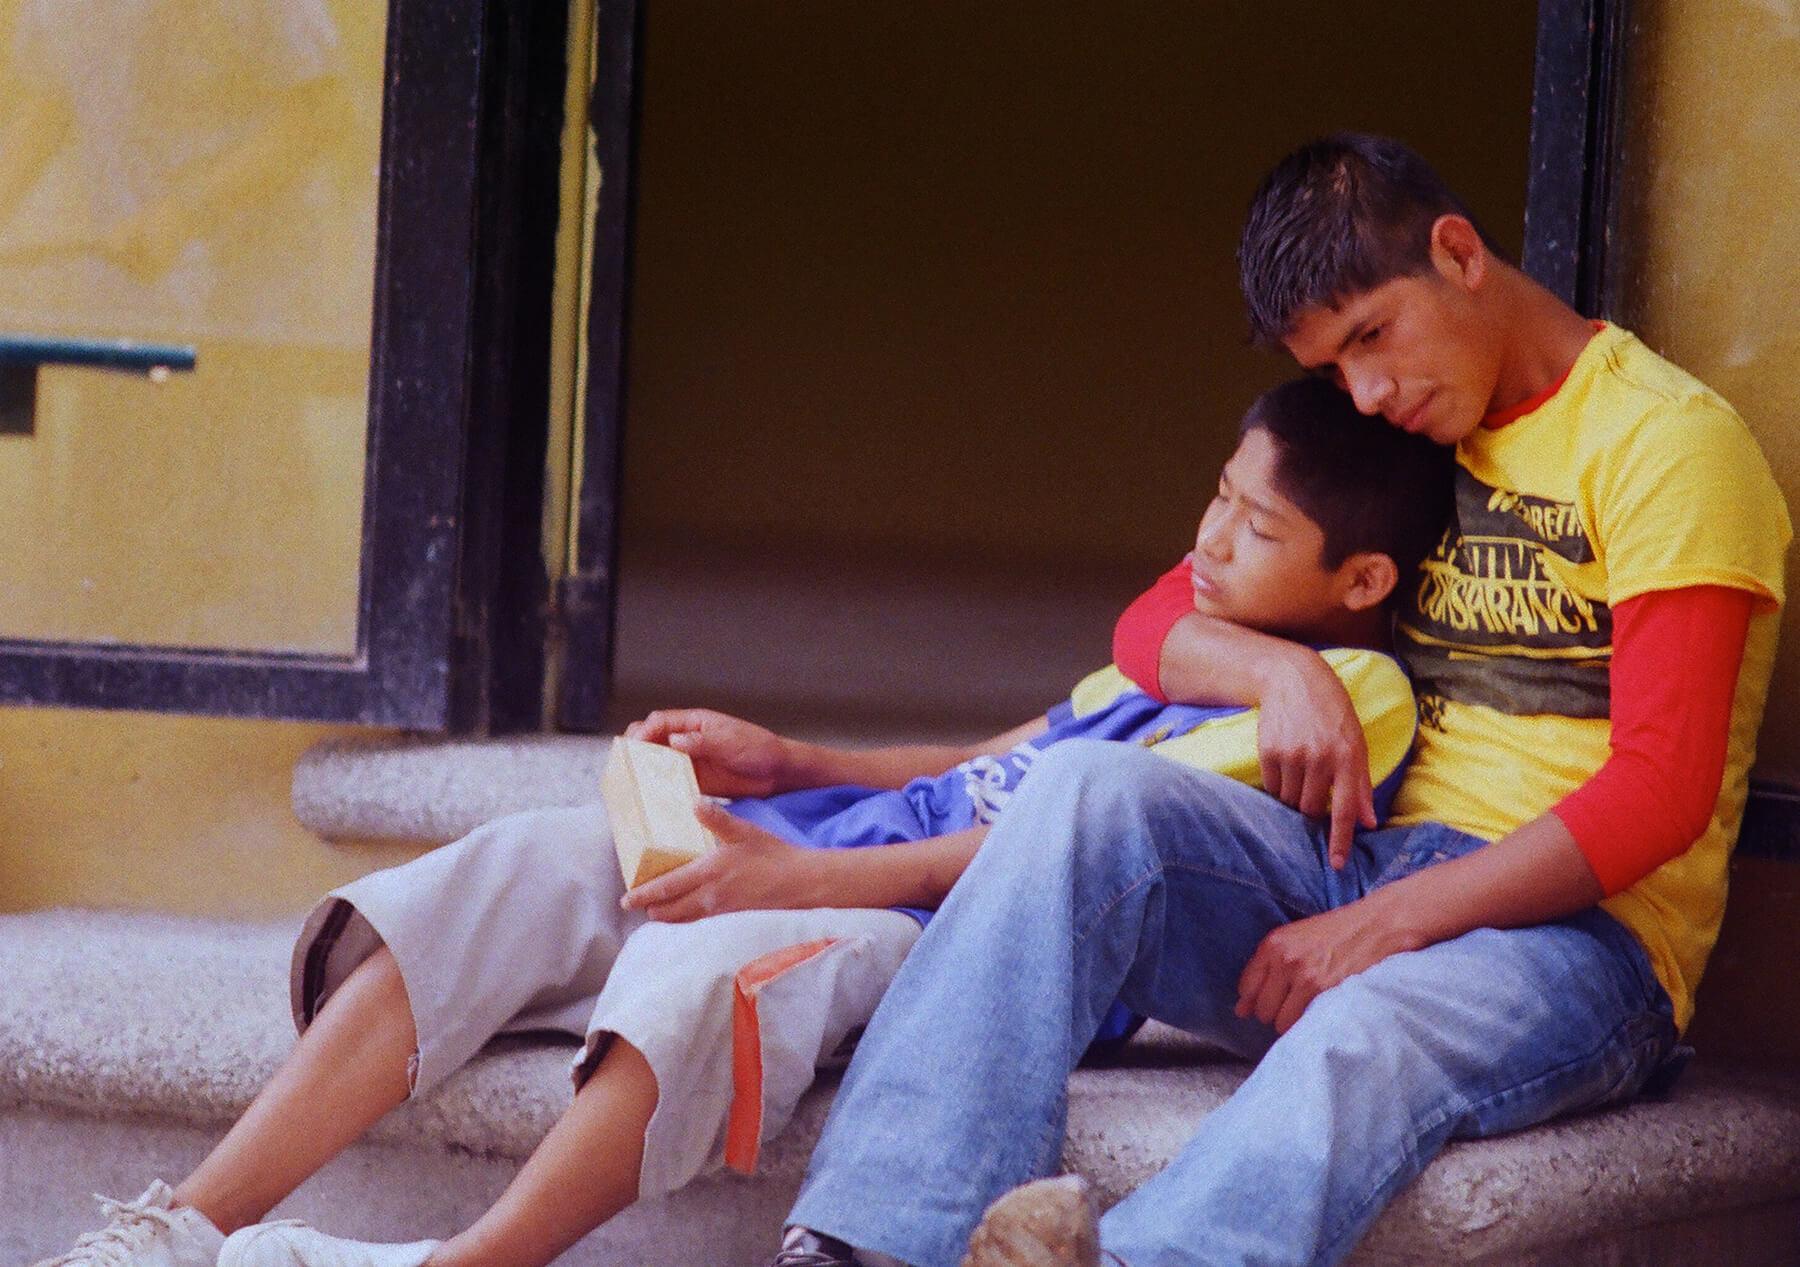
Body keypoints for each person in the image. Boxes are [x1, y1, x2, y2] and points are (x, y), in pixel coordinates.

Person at [35, 377, 1451, 1267]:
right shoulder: (1193, 640)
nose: (1207, 540)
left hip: (941, 924)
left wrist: (806, 862)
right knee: (518, 862)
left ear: (1358, 577)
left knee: (707, 968)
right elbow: (998, 759)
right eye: (1214, 498)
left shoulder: (1349, 700)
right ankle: (185, 1220)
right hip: (852, 831)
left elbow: (1082, 852)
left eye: (1254, 530)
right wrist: (790, 761)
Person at [766, 132, 1790, 1267]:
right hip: (1348, 862)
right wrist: (1281, 669)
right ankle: (875, 1239)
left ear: (1457, 253)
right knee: (1086, 790)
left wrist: (1383, 925)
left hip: (1578, 945)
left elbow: (1664, 790)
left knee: (1369, 1026)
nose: (1368, 390)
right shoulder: (1397, 435)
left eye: (1372, 337)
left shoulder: (1666, 444)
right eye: (1336, 366)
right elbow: (1152, 629)